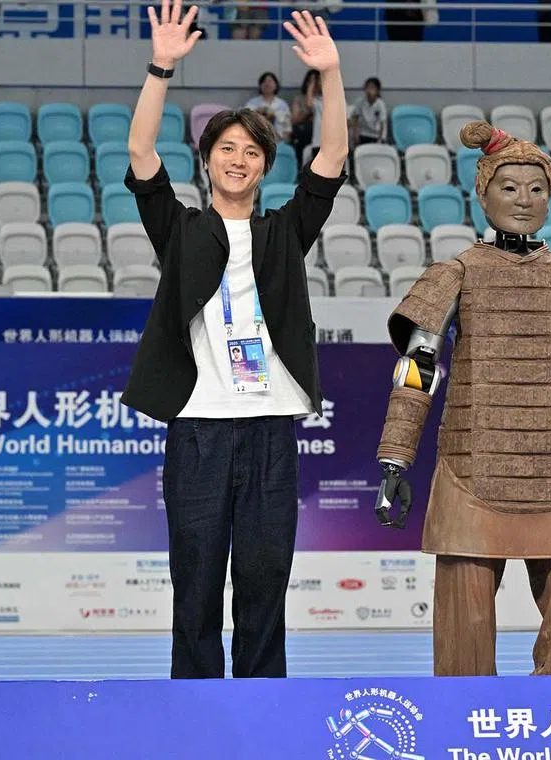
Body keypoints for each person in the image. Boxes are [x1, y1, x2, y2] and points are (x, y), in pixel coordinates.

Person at [374, 120, 551, 678]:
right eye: (509, 187)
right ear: (482, 194)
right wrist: (394, 459)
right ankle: (465, 729)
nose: (524, 200)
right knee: (465, 634)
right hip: (470, 467)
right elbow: (416, 370)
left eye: (536, 188)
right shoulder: (454, 273)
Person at [120, 3, 348, 679]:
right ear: (208, 160)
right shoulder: (181, 229)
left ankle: (261, 714)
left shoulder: (284, 231)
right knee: (193, 586)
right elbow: (139, 154)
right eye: (226, 149)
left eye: (251, 152)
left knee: (264, 583)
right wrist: (162, 66)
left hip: (271, 430)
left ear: (264, 167)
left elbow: (333, 154)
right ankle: (194, 716)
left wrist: (330, 72)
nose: (239, 159)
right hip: (198, 432)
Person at [245, 72, 292, 143]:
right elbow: (246, 122)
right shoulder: (252, 103)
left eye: (270, 81)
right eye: (264, 81)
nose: (267, 84)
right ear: (260, 86)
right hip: (257, 141)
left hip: (278, 142)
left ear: (276, 85)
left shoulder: (283, 105)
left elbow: (287, 128)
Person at [291, 69, 322, 166]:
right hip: (304, 132)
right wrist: (308, 115)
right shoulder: (299, 99)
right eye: (312, 81)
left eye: (317, 81)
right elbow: (295, 120)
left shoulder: (323, 99)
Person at [348, 77, 388, 146]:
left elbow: (382, 124)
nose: (369, 91)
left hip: (376, 135)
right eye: (367, 88)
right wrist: (355, 135)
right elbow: (354, 119)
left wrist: (380, 140)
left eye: (372, 88)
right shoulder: (360, 103)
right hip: (363, 134)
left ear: (377, 90)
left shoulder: (380, 104)